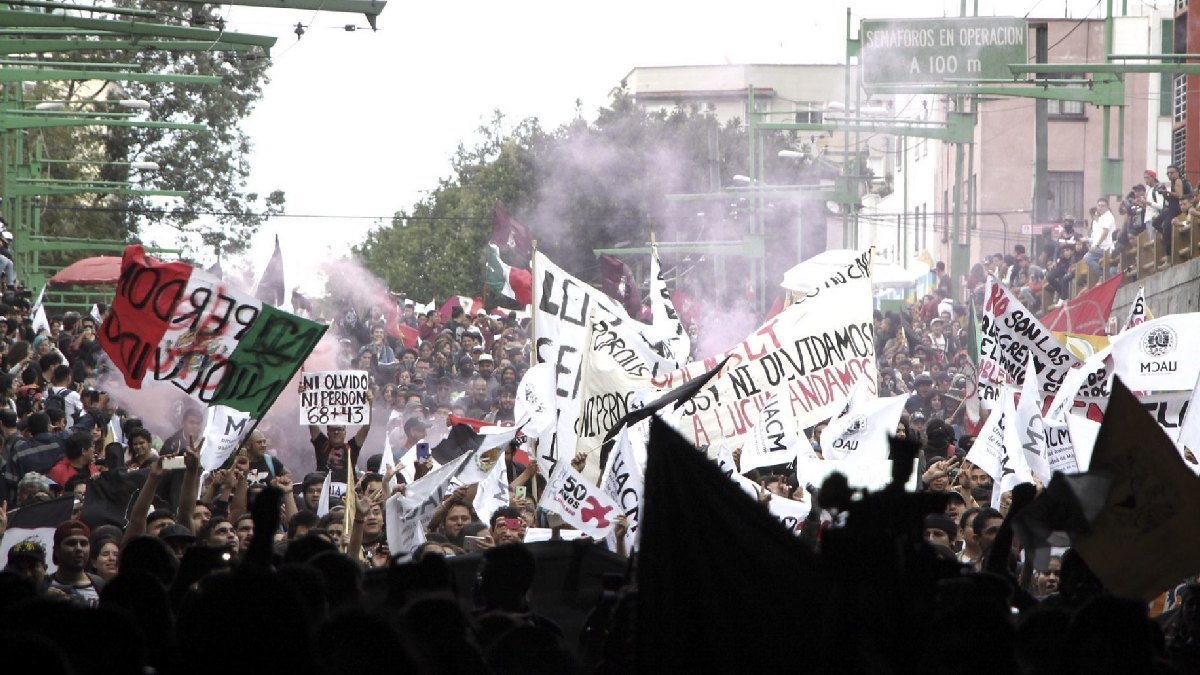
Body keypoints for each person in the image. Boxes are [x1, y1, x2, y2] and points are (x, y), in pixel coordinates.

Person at [308, 394, 374, 475]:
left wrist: (369, 405)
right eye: (333, 429)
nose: (336, 432)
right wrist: (307, 395)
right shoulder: (322, 445)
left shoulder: (352, 447)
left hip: (347, 486)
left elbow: (365, 429)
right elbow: (311, 422)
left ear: (345, 432)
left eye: (339, 429)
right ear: (328, 432)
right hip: (324, 485)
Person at [47, 519, 104, 606]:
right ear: (57, 550)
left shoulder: (101, 586)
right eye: (71, 543)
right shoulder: (43, 587)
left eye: (84, 543)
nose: (79, 548)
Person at [1083, 197, 1115, 278]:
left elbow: (1105, 233)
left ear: (1107, 207)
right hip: (1100, 247)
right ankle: (1103, 274)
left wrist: (1096, 245)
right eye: (1099, 205)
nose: (1100, 207)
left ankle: (1103, 275)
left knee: (1087, 258)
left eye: (1103, 206)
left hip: (1106, 248)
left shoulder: (1108, 217)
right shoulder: (1101, 218)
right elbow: (1097, 234)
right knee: (1088, 258)